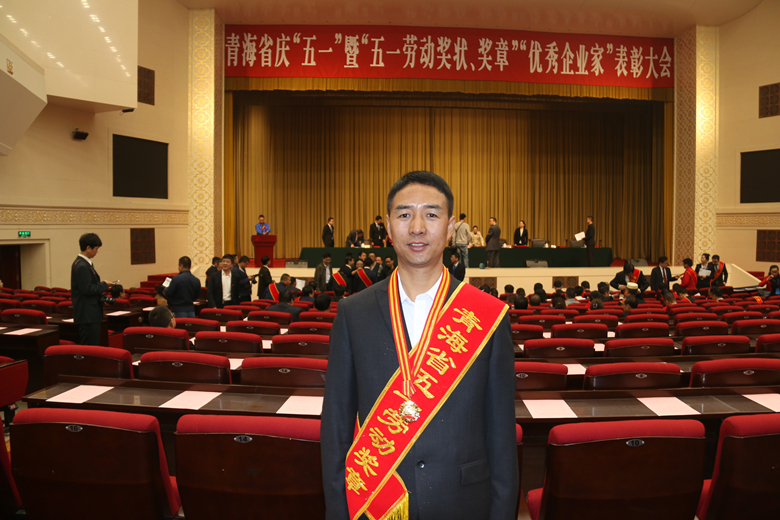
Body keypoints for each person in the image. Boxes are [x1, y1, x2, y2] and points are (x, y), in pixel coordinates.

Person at [322, 171, 518, 520]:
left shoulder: (486, 315)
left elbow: (501, 434)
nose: (416, 227)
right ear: (387, 226)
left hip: (464, 503)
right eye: (404, 214)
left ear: (450, 227)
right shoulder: (353, 313)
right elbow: (336, 428)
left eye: (431, 214)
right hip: (375, 502)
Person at [71, 233, 113, 345]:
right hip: (88, 316)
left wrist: (101, 298)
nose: (97, 252)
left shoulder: (84, 264)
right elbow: (87, 289)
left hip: (89, 314)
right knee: (90, 347)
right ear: (88, 248)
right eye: (96, 249)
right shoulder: (82, 266)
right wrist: (104, 285)